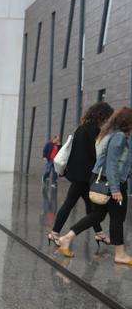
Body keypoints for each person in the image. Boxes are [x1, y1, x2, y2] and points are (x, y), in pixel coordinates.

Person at [57, 107, 132, 265]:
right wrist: (116, 189)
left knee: (97, 215)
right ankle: (120, 254)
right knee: (117, 217)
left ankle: (66, 238)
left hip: (102, 179)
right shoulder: (118, 137)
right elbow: (111, 164)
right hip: (111, 181)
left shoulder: (110, 133)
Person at [47, 102, 114, 246]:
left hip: (77, 174)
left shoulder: (80, 128)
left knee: (90, 206)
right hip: (85, 176)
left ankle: (99, 233)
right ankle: (54, 233)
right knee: (77, 205)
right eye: (107, 117)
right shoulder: (94, 130)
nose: (107, 120)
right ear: (101, 115)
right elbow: (95, 153)